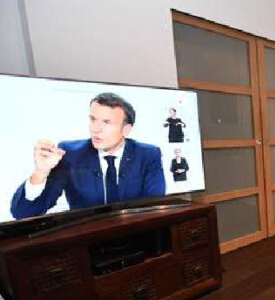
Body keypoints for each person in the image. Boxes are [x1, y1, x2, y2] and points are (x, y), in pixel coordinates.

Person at [10, 92, 166, 219]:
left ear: (126, 129)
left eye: (106, 122)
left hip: (136, 238)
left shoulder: (148, 154)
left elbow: (155, 208)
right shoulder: (70, 154)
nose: (95, 129)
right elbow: (23, 213)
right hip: (88, 243)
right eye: (93, 119)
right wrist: (41, 173)